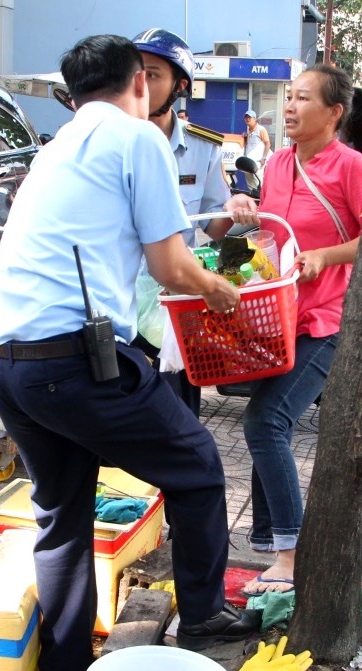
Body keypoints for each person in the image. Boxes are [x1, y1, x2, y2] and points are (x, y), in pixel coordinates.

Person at [0, 34, 259, 671]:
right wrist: (218, 289)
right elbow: (170, 265)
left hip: (6, 361)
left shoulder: (56, 149)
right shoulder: (139, 140)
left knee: (62, 511)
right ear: (139, 82)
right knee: (196, 468)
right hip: (72, 363)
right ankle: (201, 616)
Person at [224, 64, 362, 596]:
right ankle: (273, 548)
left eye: (303, 98)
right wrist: (243, 210)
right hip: (278, 319)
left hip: (325, 320)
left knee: (265, 423)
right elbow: (271, 233)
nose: (289, 107)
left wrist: (324, 258)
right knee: (267, 425)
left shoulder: (352, 167)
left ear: (334, 112)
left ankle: (292, 556)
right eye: (288, 97)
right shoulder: (280, 161)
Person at [131, 27, 233, 414]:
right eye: (135, 72)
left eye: (153, 74)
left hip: (177, 307)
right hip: (117, 306)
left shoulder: (203, 147)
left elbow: (214, 227)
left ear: (181, 85)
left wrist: (233, 204)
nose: (140, 83)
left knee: (180, 416)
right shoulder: (114, 142)